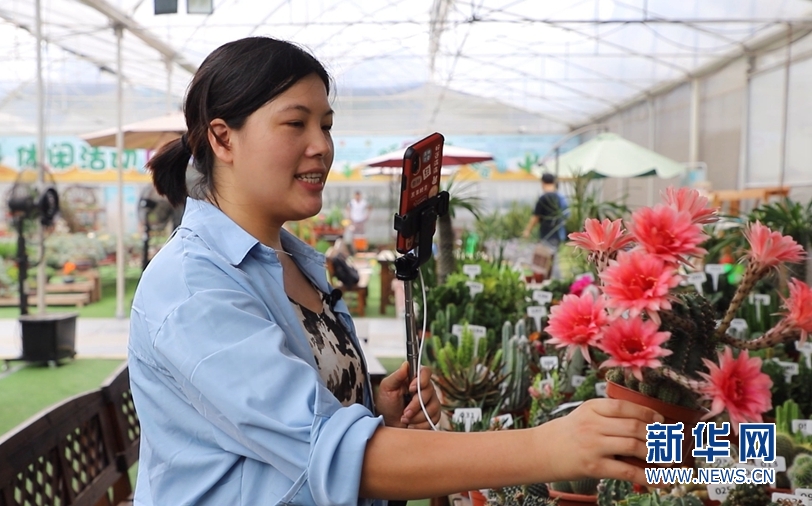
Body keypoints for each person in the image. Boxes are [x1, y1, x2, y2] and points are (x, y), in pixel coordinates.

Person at [131, 36, 659, 506]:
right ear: (222, 139)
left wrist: (373, 411)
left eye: (326, 125)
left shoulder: (292, 260)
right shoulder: (193, 288)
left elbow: (302, 430)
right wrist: (548, 446)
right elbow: (336, 456)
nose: (322, 146)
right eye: (296, 123)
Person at [522, 172, 568, 278]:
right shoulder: (560, 197)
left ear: (543, 183)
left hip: (547, 234)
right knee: (553, 258)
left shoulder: (544, 198)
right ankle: (554, 280)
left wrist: (527, 230)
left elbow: (536, 217)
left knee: (543, 261)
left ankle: (550, 280)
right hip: (558, 233)